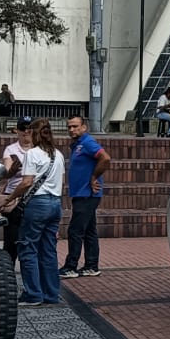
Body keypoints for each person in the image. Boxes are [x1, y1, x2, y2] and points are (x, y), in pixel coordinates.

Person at [16, 119, 65, 307]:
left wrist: (11, 197)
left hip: (37, 204)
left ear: (33, 134)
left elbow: (27, 182)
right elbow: (62, 183)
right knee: (49, 251)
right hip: (55, 203)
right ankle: (51, 294)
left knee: (28, 248)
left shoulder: (32, 154)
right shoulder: (58, 155)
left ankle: (33, 293)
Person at [60, 114, 108, 279]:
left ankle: (71, 266)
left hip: (87, 193)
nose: (71, 129)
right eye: (69, 127)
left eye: (75, 126)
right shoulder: (77, 145)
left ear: (84, 127)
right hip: (81, 193)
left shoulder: (87, 143)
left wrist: (94, 177)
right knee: (89, 230)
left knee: (76, 230)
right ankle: (91, 265)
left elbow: (105, 158)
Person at [0, 117, 34, 261]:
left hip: (33, 197)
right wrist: (13, 170)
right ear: (16, 131)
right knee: (11, 240)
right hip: (14, 197)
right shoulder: (11, 149)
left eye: (29, 129)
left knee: (31, 241)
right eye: (22, 129)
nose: (26, 132)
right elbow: (6, 173)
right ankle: (8, 275)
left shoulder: (40, 149)